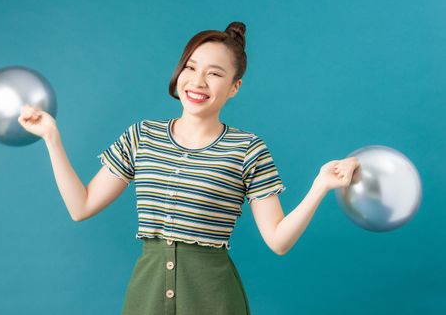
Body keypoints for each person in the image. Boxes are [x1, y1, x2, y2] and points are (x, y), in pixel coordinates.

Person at [18, 21, 361, 315]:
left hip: (214, 300)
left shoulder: (248, 150)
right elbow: (81, 206)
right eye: (191, 67)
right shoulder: (142, 137)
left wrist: (319, 187)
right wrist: (51, 137)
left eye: (215, 74)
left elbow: (278, 241)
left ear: (234, 87)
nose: (198, 82)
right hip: (146, 298)